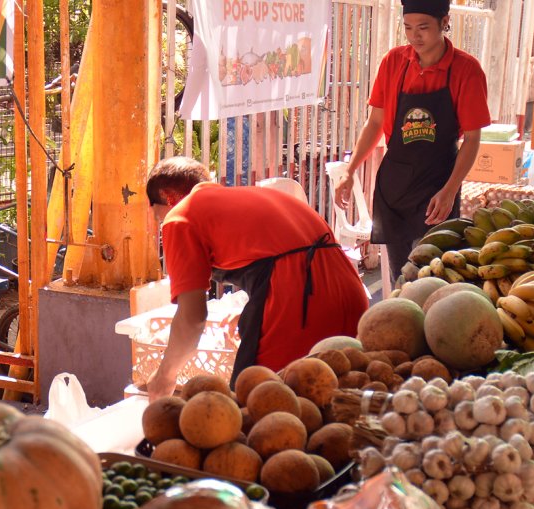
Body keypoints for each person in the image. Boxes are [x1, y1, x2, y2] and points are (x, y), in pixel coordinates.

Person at [144, 157, 368, 401]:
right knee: (338, 406)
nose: (162, 225)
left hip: (301, 303)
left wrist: (165, 377)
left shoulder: (180, 217)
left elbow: (192, 317)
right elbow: (278, 257)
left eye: (158, 216)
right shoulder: (249, 197)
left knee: (256, 409)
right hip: (351, 292)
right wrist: (250, 315)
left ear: (168, 198)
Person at [334, 0, 490, 281]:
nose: (414, 36)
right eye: (408, 27)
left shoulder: (466, 70)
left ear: (444, 22)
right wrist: (350, 169)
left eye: (423, 27)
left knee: (430, 277)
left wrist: (451, 189)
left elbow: (473, 139)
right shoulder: (394, 62)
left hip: (437, 187)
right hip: (395, 185)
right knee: (400, 277)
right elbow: (375, 123)